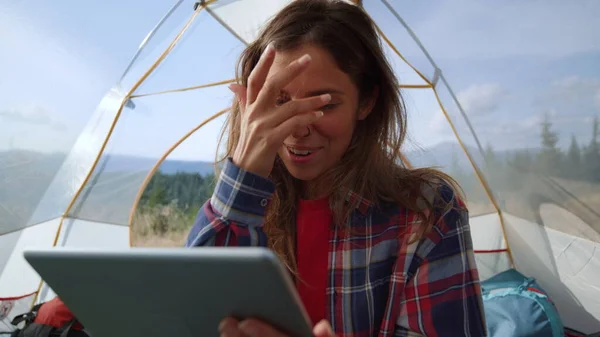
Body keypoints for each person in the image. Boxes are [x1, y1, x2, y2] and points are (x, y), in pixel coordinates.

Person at [185, 0, 487, 336]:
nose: (297, 129)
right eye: (281, 101)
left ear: (367, 102)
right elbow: (197, 309)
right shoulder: (243, 206)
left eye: (324, 104)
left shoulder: (426, 212)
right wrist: (242, 174)